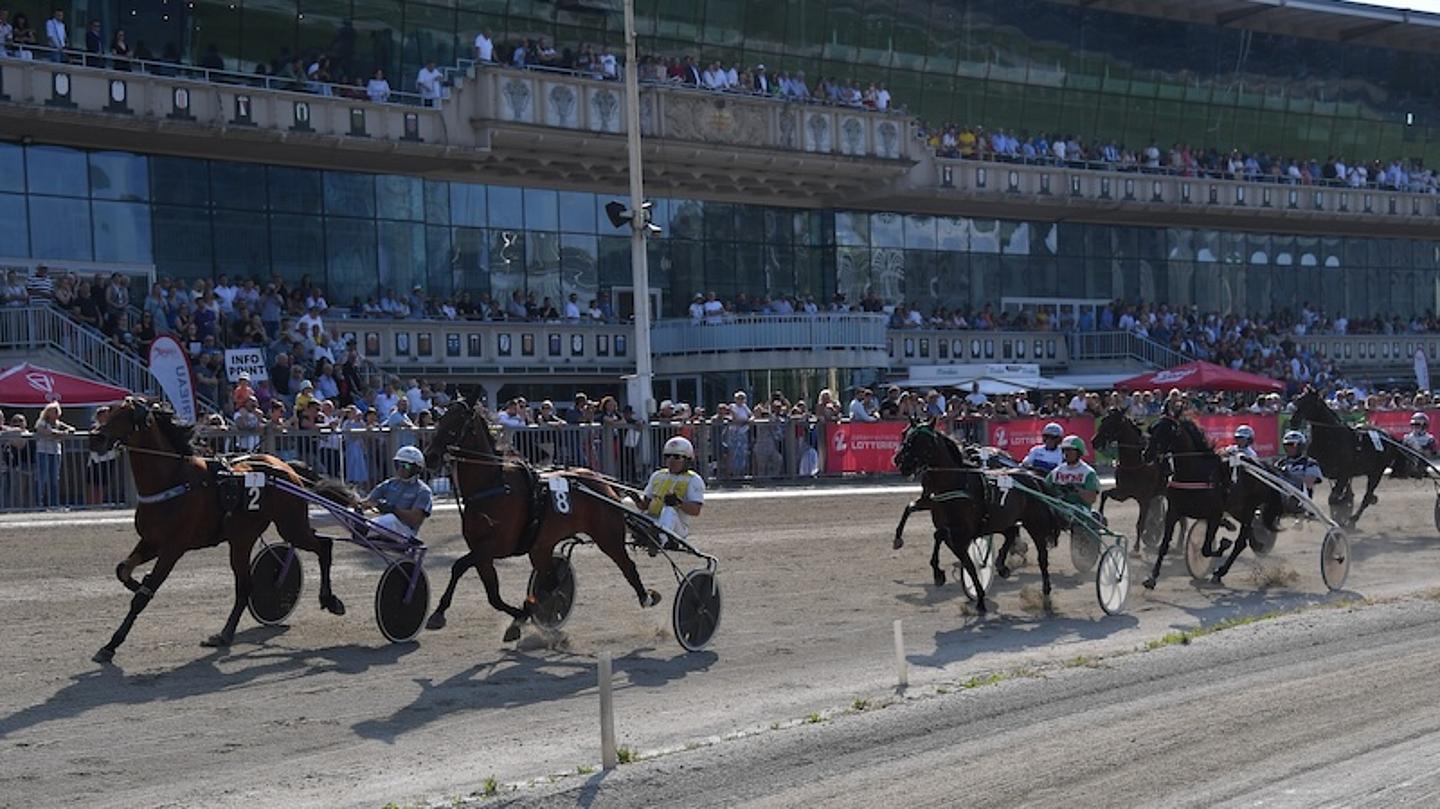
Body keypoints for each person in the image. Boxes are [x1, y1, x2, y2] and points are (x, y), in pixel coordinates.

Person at [631, 436, 704, 546]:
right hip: (653, 521)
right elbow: (644, 506)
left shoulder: (693, 479)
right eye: (667, 456)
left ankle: (660, 540)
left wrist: (678, 502)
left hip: (677, 528)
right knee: (627, 514)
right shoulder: (657, 475)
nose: (671, 460)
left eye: (676, 457)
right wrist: (635, 499)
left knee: (668, 510)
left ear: (687, 459)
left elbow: (696, 511)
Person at [357, 445, 431, 542]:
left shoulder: (423, 491)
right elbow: (368, 501)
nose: (401, 468)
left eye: (406, 465)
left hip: (406, 534)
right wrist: (358, 506)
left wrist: (393, 509)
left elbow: (415, 519)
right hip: (386, 528)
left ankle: (365, 529)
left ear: (417, 468)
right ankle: (363, 528)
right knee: (350, 514)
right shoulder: (389, 484)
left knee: (391, 519)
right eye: (398, 464)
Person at [1046, 435, 1102, 518]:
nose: (1066, 453)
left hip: (1080, 510)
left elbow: (1092, 499)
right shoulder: (1056, 472)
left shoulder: (1087, 472)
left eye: (1069, 450)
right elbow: (1045, 488)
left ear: (1078, 452)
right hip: (1058, 506)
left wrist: (1076, 489)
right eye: (1064, 450)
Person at [34, 402, 75, 508]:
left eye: (57, 411)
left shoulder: (58, 423)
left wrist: (64, 432)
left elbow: (71, 429)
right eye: (53, 411)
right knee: (42, 478)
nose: (56, 413)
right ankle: (38, 503)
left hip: (55, 452)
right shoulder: (42, 422)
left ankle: (54, 503)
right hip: (43, 451)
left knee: (54, 478)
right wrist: (61, 434)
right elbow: (47, 432)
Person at [1277, 430, 1323, 498]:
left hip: (1301, 501)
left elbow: (1309, 483)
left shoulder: (1310, 463)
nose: (1290, 448)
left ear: (1301, 446)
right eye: (1287, 446)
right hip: (1279, 500)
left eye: (1293, 446)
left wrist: (1288, 475)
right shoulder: (1280, 463)